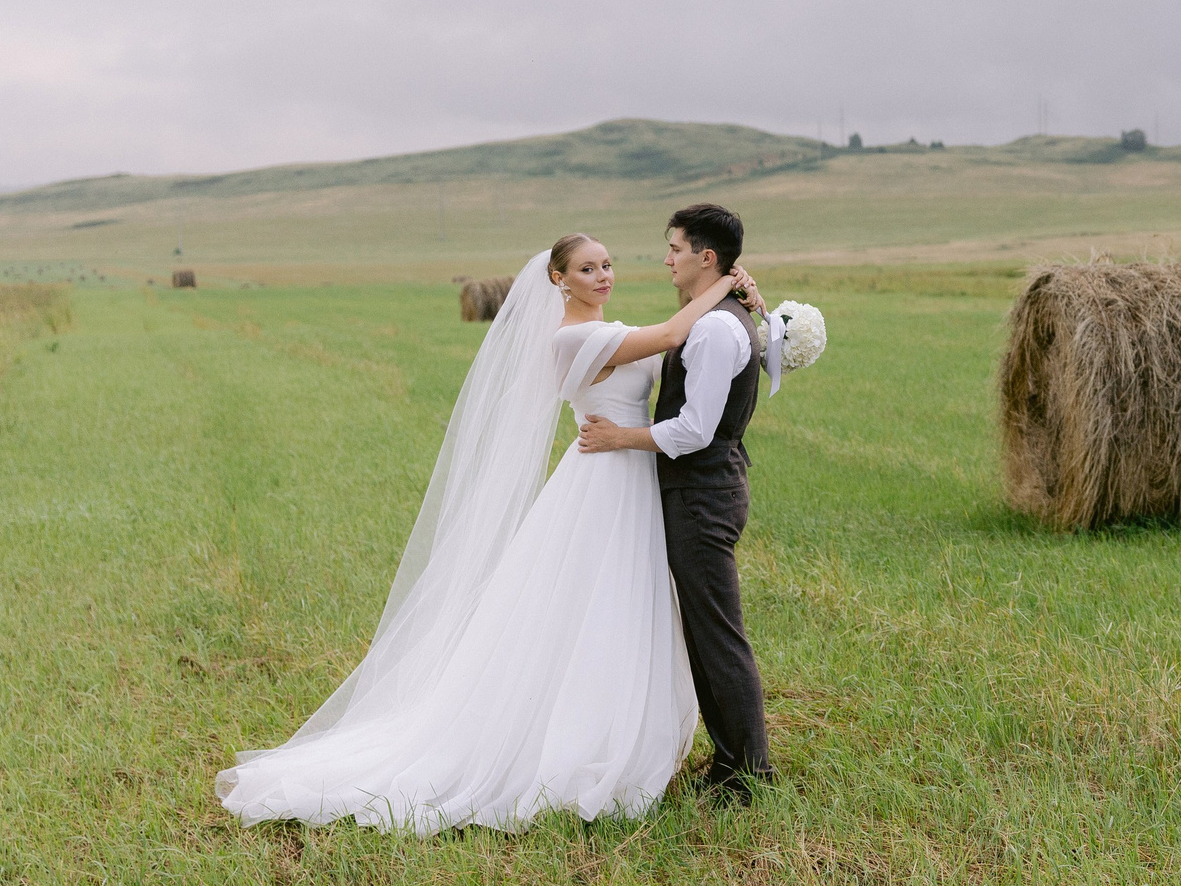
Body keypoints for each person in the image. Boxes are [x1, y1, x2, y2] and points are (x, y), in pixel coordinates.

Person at [215, 234, 745, 834]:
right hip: (603, 478)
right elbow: (671, 335)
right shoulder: (571, 339)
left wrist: (730, 305)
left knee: (623, 605)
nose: (603, 276)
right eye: (586, 269)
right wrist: (726, 285)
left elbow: (675, 342)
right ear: (559, 280)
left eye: (606, 265)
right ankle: (575, 744)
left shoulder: (609, 330)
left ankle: (616, 730)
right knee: (592, 603)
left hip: (631, 474)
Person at [578, 203, 783, 802]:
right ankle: (729, 762)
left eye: (675, 249)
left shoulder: (717, 328)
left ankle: (749, 775)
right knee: (703, 630)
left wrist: (621, 437)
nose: (667, 259)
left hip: (703, 494)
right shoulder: (718, 316)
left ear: (706, 257)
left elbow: (695, 429)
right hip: (703, 489)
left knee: (717, 633)